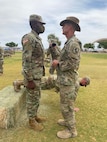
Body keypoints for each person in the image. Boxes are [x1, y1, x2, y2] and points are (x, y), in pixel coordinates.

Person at [52, 16, 81, 139]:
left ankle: (71, 130)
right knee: (65, 105)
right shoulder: (69, 42)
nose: (62, 27)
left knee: (67, 107)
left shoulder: (73, 43)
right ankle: (67, 122)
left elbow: (74, 64)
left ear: (70, 27)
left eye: (64, 25)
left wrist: (58, 63)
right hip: (65, 80)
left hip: (68, 81)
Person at [21, 14, 46, 131]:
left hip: (37, 75)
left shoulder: (36, 38)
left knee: (36, 97)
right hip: (32, 77)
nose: (43, 27)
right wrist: (29, 79)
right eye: (41, 24)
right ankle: (31, 121)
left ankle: (35, 116)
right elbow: (26, 60)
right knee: (31, 99)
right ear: (35, 24)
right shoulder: (29, 38)